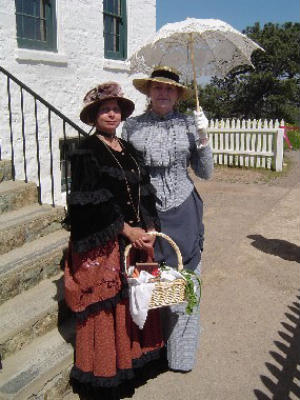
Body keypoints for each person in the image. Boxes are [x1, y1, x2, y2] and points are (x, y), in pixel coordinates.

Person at [63, 82, 164, 398]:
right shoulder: (85, 150)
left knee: (136, 297)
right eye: (105, 109)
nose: (111, 114)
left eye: (116, 109)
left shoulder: (130, 149)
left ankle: (132, 364)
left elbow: (144, 191)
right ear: (94, 115)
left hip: (136, 240)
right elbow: (92, 202)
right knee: (110, 306)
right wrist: (125, 230)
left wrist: (147, 228)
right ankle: (108, 370)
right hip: (106, 241)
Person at [122, 66, 214, 372]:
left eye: (170, 89)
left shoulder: (190, 124)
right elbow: (128, 176)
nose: (163, 93)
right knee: (153, 283)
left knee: (186, 280)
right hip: (148, 214)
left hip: (184, 210)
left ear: (177, 95)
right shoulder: (132, 127)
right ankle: (152, 351)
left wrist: (203, 137)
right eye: (158, 88)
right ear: (149, 91)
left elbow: (205, 173)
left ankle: (181, 356)